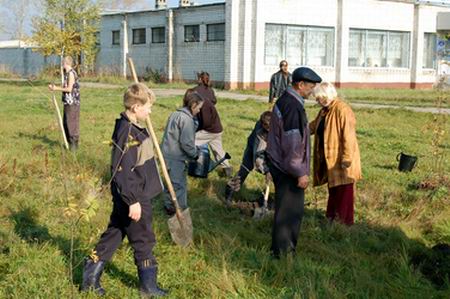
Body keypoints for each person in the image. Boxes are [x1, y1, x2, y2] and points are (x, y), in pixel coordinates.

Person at [80, 83, 168, 297]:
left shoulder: (131, 127)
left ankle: (90, 275)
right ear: (136, 106)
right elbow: (121, 170)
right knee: (144, 238)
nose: (150, 110)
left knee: (114, 234)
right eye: (148, 106)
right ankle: (148, 288)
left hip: (129, 194)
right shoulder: (126, 132)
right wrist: (133, 200)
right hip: (134, 195)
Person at [266, 67, 322, 257]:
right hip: (288, 168)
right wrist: (300, 173)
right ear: (300, 85)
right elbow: (292, 145)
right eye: (310, 87)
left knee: (285, 209)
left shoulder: (286, 100)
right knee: (290, 212)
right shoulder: (292, 106)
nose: (312, 91)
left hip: (281, 164)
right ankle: (283, 253)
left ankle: (280, 249)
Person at [309, 82, 361, 225]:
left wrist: (347, 159)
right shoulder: (325, 110)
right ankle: (331, 219)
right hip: (330, 160)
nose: (316, 100)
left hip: (342, 161)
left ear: (325, 96)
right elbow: (314, 126)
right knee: (334, 190)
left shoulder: (342, 110)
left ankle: (343, 225)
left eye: (318, 97)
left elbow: (348, 136)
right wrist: (299, 132)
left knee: (344, 192)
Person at [161, 89, 204, 215]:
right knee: (178, 185)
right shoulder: (187, 120)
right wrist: (195, 154)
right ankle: (179, 211)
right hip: (176, 157)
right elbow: (186, 143)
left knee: (170, 183)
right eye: (199, 108)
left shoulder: (175, 114)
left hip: (166, 154)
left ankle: (168, 206)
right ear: (193, 105)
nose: (199, 111)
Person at [224, 111, 272, 203]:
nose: (269, 129)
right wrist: (266, 171)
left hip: (270, 149)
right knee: (245, 168)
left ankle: (274, 199)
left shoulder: (278, 125)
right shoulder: (260, 133)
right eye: (267, 126)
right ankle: (229, 192)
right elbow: (258, 157)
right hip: (253, 149)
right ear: (263, 124)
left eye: (271, 127)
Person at [193, 72, 232, 177]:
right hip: (217, 127)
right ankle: (227, 169)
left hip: (209, 128)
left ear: (200, 79)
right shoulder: (210, 90)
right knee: (217, 149)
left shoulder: (195, 91)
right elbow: (214, 101)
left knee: (189, 141)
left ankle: (201, 165)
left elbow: (204, 121)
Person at [48, 56, 81, 151]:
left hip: (72, 103)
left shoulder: (71, 74)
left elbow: (69, 89)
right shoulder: (67, 74)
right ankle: (69, 145)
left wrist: (55, 88)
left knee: (71, 125)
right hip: (67, 102)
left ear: (66, 63)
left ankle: (73, 147)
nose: (62, 64)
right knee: (66, 123)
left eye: (63, 62)